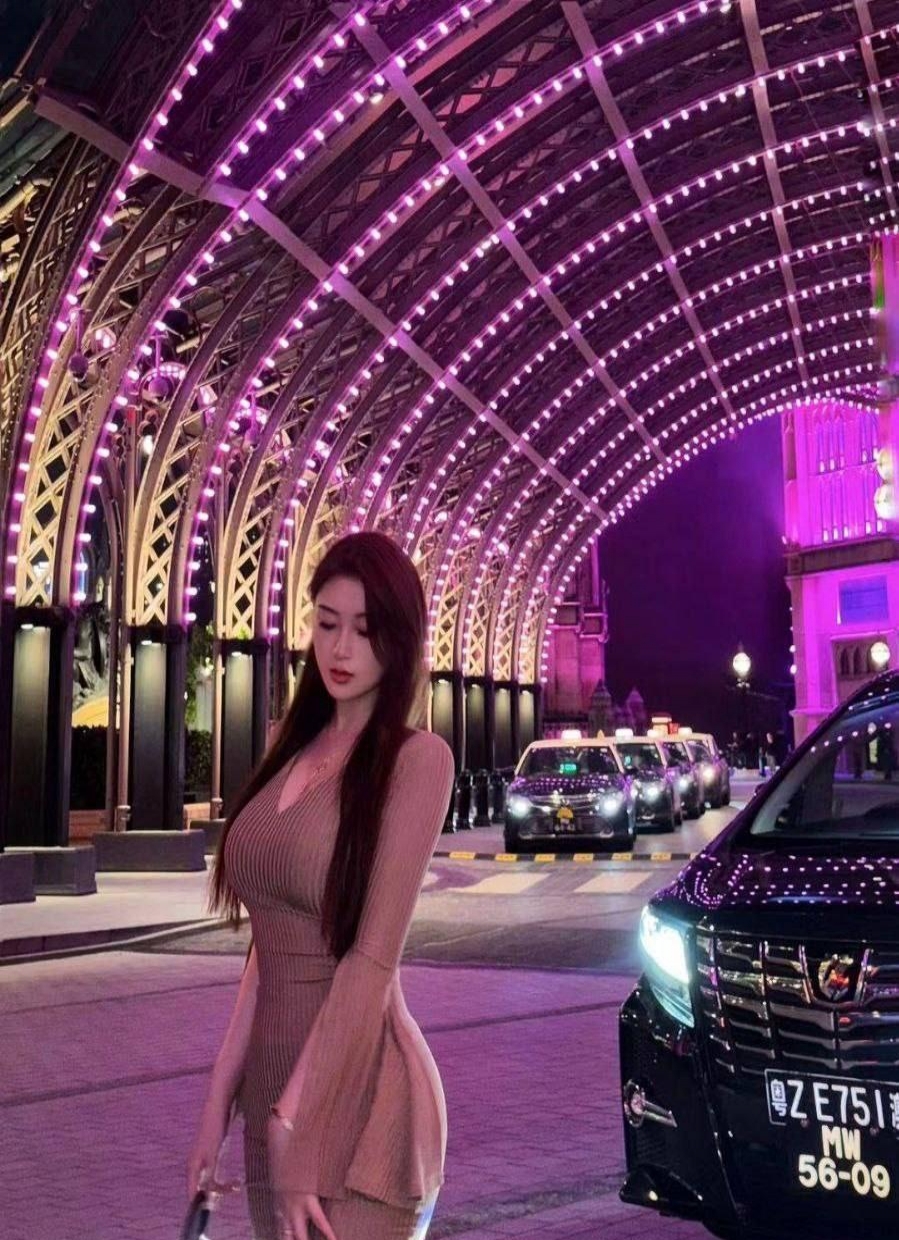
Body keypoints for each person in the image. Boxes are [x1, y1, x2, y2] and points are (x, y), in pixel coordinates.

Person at [188, 532, 456, 1240]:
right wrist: (220, 1099)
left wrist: (296, 1126)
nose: (340, 649)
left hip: (359, 1102)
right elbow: (267, 947)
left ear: (398, 639)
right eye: (327, 623)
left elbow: (371, 960)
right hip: (272, 1098)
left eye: (363, 630)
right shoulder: (289, 745)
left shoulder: (417, 761)